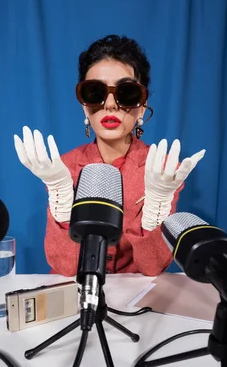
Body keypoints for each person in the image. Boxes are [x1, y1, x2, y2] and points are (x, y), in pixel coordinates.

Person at [14, 34, 205, 276]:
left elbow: (152, 267)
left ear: (141, 107)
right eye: (95, 92)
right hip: (75, 296)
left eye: (126, 92)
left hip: (136, 300)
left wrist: (157, 205)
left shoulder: (163, 169)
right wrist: (60, 192)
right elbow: (64, 266)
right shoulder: (64, 167)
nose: (111, 104)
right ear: (85, 105)